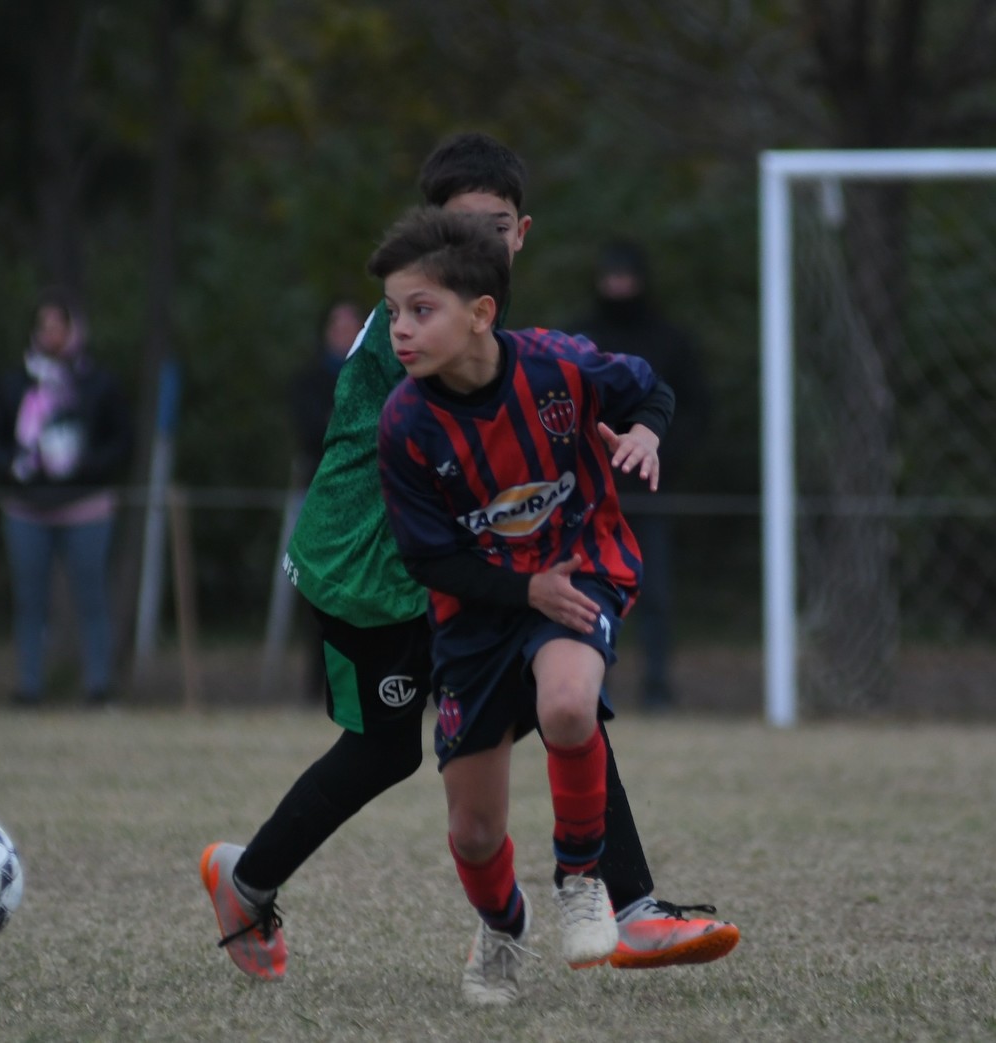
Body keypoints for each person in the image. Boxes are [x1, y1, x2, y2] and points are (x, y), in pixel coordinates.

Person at [199, 132, 737, 983]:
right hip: (370, 569)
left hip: (454, 564)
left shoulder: (481, 320)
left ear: (521, 233)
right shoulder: (423, 322)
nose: (475, 246)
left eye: (493, 228)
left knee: (566, 690)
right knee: (385, 750)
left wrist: (618, 428)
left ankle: (618, 909)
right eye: (457, 229)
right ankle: (247, 880)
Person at [373, 205, 674, 1003]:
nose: (400, 330)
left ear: (481, 314)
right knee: (473, 832)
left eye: (420, 310)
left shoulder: (558, 366)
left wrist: (644, 432)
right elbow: (426, 556)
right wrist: (517, 587)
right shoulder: (405, 422)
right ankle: (503, 927)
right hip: (474, 614)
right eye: (394, 312)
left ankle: (581, 875)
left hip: (578, 573)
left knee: (570, 704)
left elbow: (649, 386)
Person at [569, 240, 712, 711]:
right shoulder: (580, 338)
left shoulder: (668, 340)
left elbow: (691, 407)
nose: (618, 286)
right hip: (586, 494)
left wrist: (657, 454)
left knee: (655, 595)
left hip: (649, 494)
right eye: (611, 276)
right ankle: (587, 686)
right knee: (585, 592)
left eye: (626, 276)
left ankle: (657, 688)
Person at [0, 290, 132, 707]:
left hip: (87, 506)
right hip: (27, 507)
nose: (51, 333)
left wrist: (83, 464)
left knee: (92, 597)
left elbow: (122, 440)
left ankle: (99, 687)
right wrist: (15, 464)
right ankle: (29, 687)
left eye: (58, 324)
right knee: (30, 601)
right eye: (44, 325)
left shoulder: (97, 382)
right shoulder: (15, 382)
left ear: (72, 329)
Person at [287, 299, 366, 701]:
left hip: (366, 500)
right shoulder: (307, 382)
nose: (344, 332)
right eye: (337, 324)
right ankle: (315, 686)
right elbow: (313, 431)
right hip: (321, 499)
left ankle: (360, 686)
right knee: (319, 595)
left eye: (352, 325)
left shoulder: (378, 378)